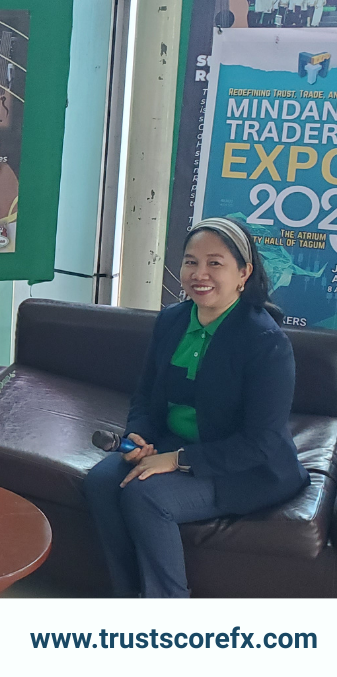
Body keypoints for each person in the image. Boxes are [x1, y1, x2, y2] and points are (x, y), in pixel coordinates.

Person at [83, 217, 309, 598]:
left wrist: (177, 460)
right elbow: (146, 396)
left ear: (244, 273)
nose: (199, 274)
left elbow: (261, 443)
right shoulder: (172, 320)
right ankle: (129, 598)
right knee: (102, 482)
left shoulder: (266, 343)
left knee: (146, 495)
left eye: (214, 263)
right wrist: (140, 436)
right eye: (191, 262)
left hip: (245, 467)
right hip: (175, 443)